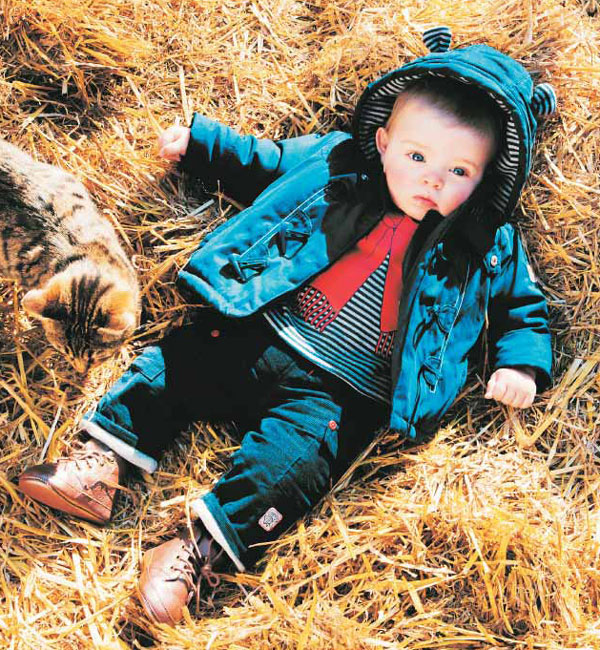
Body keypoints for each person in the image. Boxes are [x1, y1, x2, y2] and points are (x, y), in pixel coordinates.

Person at [18, 27, 556, 626]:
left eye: (459, 170)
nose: (433, 179)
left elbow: (521, 307)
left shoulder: (487, 242)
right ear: (382, 143)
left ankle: (196, 557)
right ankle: (101, 464)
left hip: (340, 394)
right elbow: (263, 162)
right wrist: (202, 145)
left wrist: (520, 363)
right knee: (179, 364)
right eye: (417, 157)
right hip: (262, 330)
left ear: (486, 179)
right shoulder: (336, 162)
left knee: (293, 468)